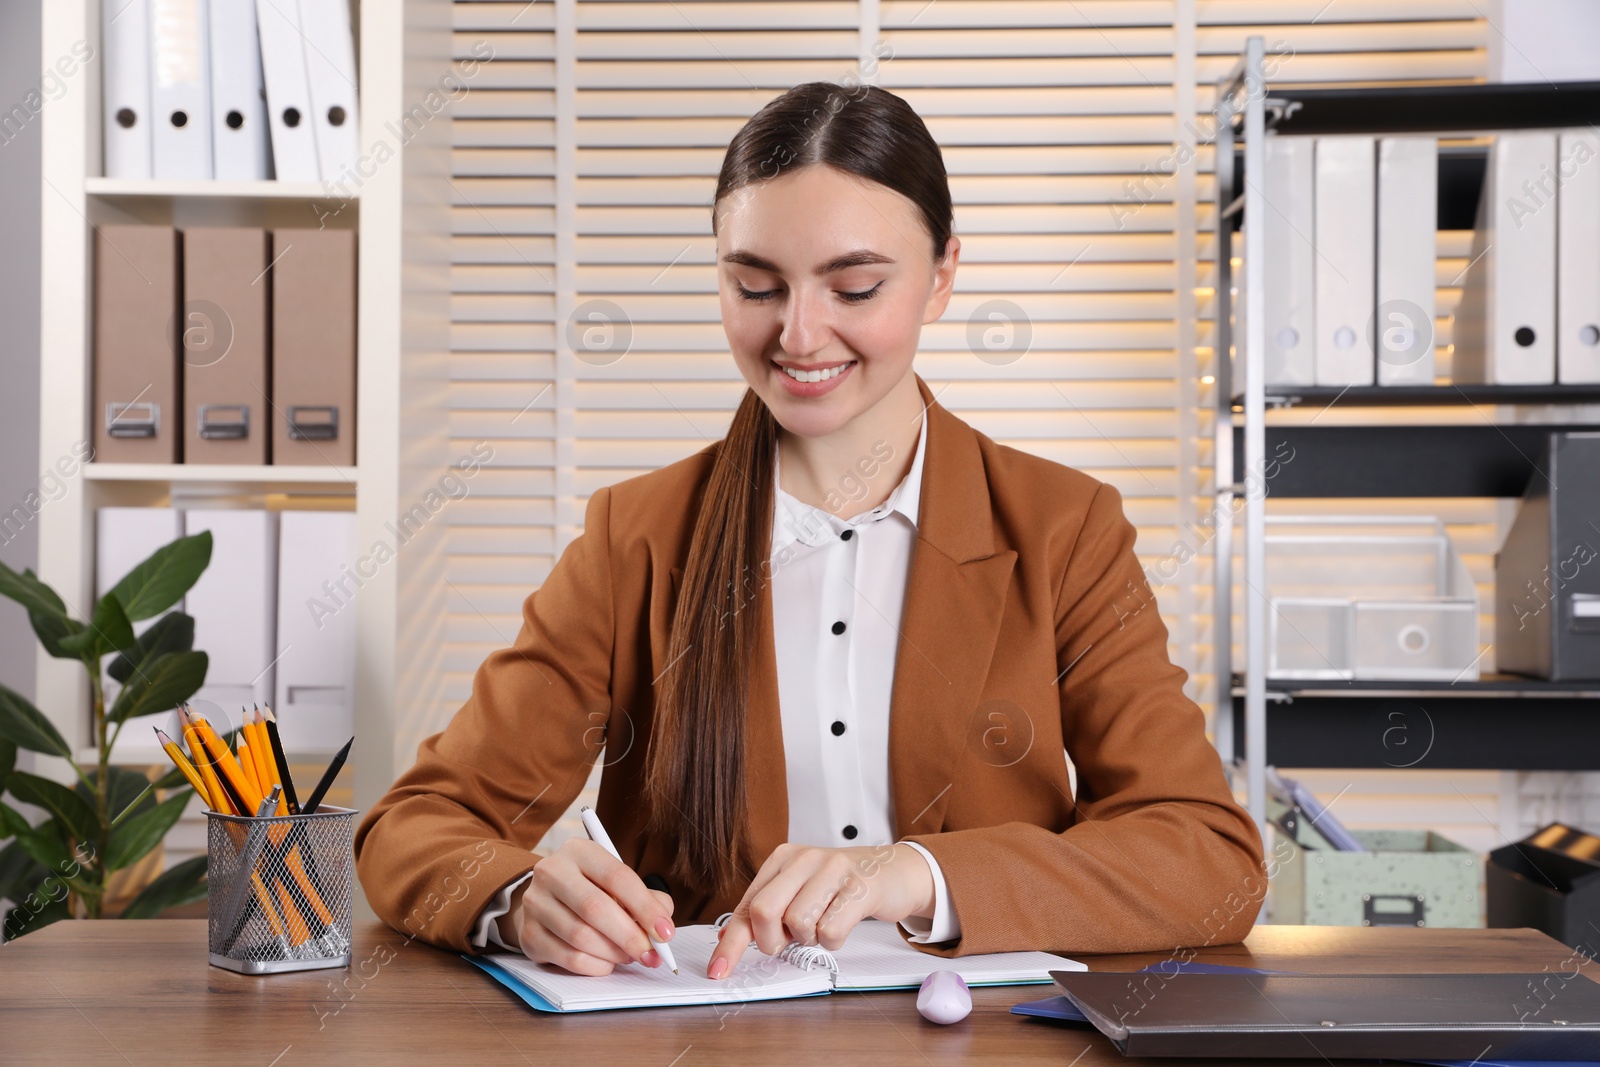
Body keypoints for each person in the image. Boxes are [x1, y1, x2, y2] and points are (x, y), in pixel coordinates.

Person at [354, 81, 1263, 981]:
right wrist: (516, 899)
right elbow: (418, 824)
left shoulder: (1064, 529)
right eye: (755, 285)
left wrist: (912, 873)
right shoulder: (637, 537)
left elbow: (1208, 856)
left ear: (944, 275)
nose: (799, 333)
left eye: (855, 286)